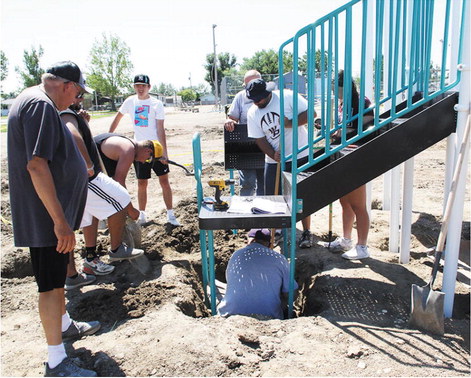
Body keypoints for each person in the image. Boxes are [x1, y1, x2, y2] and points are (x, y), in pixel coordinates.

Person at [7, 61, 98, 376]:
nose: (75, 100)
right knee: (49, 286)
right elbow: (36, 165)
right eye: (77, 92)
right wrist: (59, 222)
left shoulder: (36, 100)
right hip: (45, 215)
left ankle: (64, 326)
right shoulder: (40, 105)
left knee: (57, 280)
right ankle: (57, 361)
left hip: (50, 213)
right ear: (66, 85)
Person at [61, 98, 144, 287]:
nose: (81, 98)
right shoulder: (65, 113)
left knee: (87, 219)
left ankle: (80, 270)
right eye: (78, 93)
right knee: (121, 198)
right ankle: (115, 249)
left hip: (72, 176)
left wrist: (83, 122)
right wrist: (88, 163)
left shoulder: (71, 113)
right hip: (81, 175)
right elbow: (72, 134)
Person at [246, 78, 314, 248]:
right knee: (273, 198)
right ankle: (276, 232)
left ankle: (306, 232)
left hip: (300, 154)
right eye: (253, 100)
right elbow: (259, 139)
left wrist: (289, 123)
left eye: (259, 99)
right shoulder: (252, 113)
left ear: (267, 93)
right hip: (274, 160)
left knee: (301, 197)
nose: (257, 102)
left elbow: (312, 114)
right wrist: (272, 154)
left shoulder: (287, 97)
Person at [109, 74, 180, 226]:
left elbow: (160, 129)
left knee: (164, 181)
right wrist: (109, 135)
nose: (140, 88)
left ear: (149, 87)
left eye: (143, 86)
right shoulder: (130, 101)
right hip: (139, 149)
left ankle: (171, 215)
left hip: (156, 148)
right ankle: (142, 215)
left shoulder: (156, 104)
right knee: (142, 183)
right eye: (137, 85)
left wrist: (164, 153)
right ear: (134, 87)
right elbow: (118, 117)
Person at [329, 70, 374, 260]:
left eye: (337, 89)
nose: (335, 93)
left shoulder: (361, 103)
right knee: (344, 202)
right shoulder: (341, 104)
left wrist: (342, 135)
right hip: (343, 156)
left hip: (356, 158)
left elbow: (366, 131)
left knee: (358, 205)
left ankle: (362, 246)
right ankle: (346, 239)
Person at [218, 229, 298, 319]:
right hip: (269, 316)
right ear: (269, 243)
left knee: (216, 287)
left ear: (249, 241)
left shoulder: (236, 255)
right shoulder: (279, 259)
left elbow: (230, 282)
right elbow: (292, 294)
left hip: (231, 314)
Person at [224, 70, 265, 196]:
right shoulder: (240, 97)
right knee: (248, 181)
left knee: (265, 182)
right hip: (247, 145)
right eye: (247, 86)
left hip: (267, 143)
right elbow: (232, 117)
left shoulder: (270, 96)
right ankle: (245, 209)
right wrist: (229, 122)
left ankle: (264, 210)